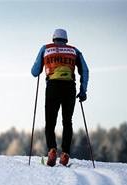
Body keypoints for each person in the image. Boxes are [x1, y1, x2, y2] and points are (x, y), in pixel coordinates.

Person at [31, 28, 89, 166]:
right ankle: (65, 154)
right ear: (66, 39)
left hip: (52, 87)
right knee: (67, 121)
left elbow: (34, 72)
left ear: (53, 38)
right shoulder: (74, 51)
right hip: (69, 88)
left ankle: (51, 149)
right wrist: (83, 91)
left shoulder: (46, 49)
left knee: (50, 122)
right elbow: (85, 70)